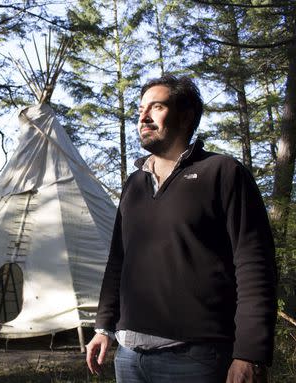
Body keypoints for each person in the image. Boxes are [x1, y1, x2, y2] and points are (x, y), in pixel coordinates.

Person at [86, 75, 277, 383]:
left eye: (156, 107)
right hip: (129, 357)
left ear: (186, 115)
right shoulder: (134, 184)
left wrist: (250, 353)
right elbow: (118, 262)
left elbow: (255, 266)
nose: (143, 117)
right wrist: (104, 327)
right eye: (140, 109)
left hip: (198, 358)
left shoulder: (223, 173)